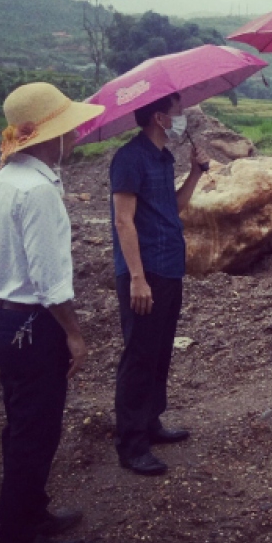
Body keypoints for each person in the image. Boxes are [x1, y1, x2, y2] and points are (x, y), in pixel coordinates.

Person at [0, 83, 101, 543]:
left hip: (5, 321)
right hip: (35, 326)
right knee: (36, 434)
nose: (74, 134)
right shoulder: (38, 193)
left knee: (23, 428)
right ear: (48, 135)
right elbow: (50, 279)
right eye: (67, 126)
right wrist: (74, 332)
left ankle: (31, 514)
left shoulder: (6, 179)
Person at [111, 92, 208, 476]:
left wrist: (197, 172)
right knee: (138, 355)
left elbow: (175, 205)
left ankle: (150, 422)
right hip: (144, 271)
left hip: (169, 267)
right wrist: (136, 276)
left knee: (159, 350)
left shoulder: (164, 158)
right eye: (177, 111)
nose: (182, 116)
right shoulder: (129, 159)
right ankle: (131, 444)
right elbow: (123, 221)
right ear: (159, 117)